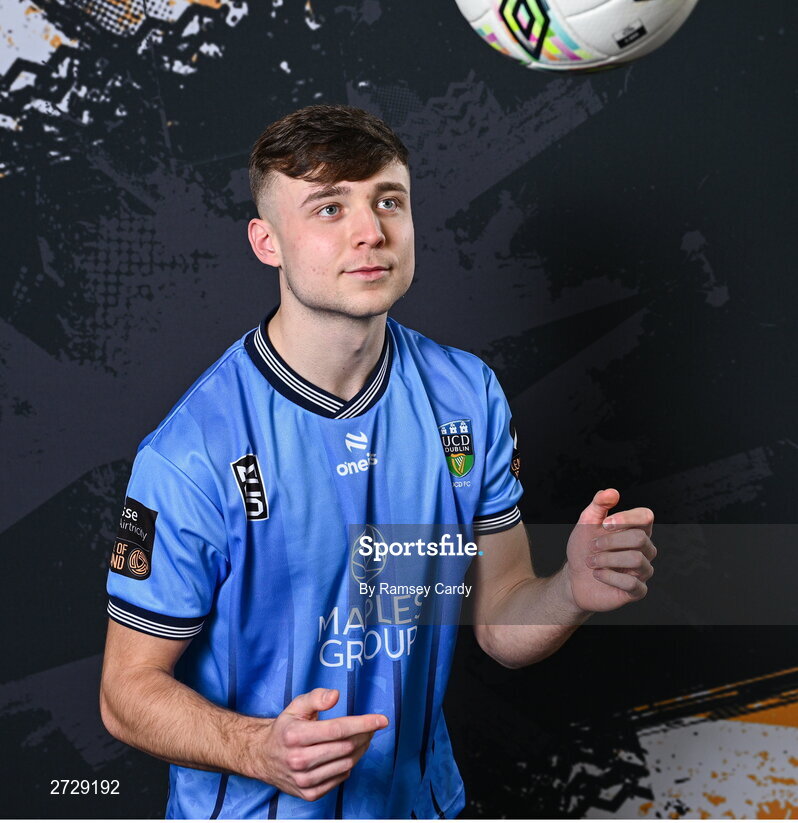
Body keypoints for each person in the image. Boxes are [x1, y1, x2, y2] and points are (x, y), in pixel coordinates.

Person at [100, 104, 656, 819]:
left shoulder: (467, 395)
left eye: (389, 201)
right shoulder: (191, 452)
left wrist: (572, 590)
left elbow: (501, 621)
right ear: (267, 242)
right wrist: (259, 748)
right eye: (330, 208)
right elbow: (125, 692)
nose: (371, 232)